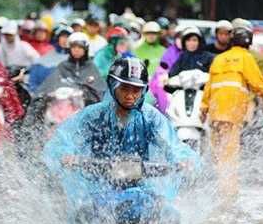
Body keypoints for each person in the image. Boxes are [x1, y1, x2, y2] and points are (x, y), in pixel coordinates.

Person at [43, 57, 199, 200]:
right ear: (112, 85)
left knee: (169, 216)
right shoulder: (93, 115)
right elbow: (63, 139)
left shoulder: (151, 117)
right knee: (82, 216)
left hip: (140, 188)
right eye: (125, 88)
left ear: (144, 90)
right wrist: (64, 155)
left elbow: (173, 145)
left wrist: (184, 161)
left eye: (136, 90)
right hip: (96, 187)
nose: (130, 95)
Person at [201, 23, 263, 201]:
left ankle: (218, 187)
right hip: (231, 113)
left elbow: (209, 85)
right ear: (248, 42)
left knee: (218, 152)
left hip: (215, 112)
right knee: (229, 153)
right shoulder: (245, 58)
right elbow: (256, 82)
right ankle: (228, 193)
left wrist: (204, 107)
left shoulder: (219, 58)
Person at [35, 32, 106, 107]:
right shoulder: (63, 66)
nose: (76, 50)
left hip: (85, 109)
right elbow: (49, 86)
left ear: (85, 49)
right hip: (63, 107)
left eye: (80, 47)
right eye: (73, 47)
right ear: (69, 49)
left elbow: (100, 91)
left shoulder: (91, 67)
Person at [28, 25, 72, 92]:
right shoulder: (45, 57)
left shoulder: (78, 58)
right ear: (57, 38)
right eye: (63, 36)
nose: (65, 39)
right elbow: (33, 82)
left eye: (67, 37)